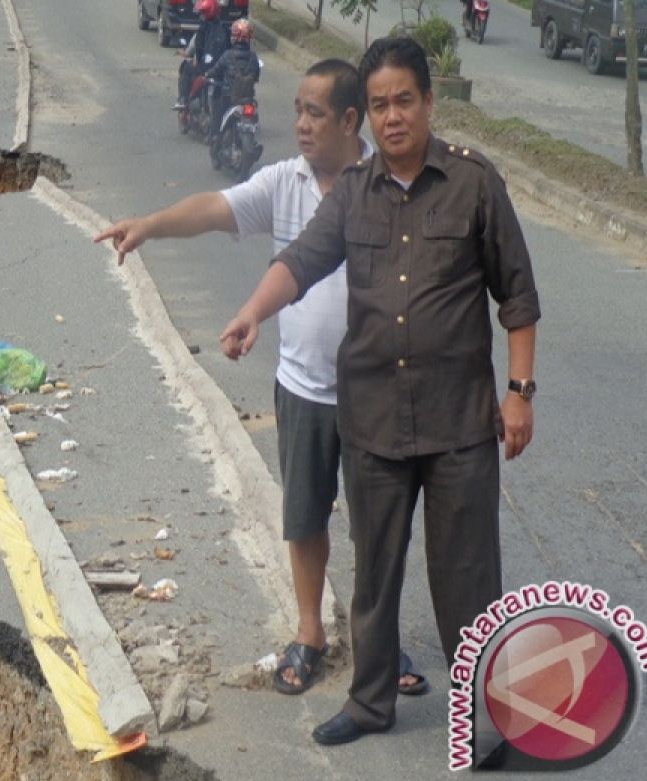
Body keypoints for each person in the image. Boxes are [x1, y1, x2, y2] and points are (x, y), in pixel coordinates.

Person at [219, 36, 540, 746]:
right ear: (366, 116)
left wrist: (518, 392)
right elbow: (300, 262)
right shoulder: (354, 195)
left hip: (458, 421)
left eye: (404, 101)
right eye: (379, 105)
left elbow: (517, 297)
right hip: (373, 420)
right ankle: (370, 705)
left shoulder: (474, 183)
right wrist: (250, 312)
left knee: (467, 575)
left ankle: (484, 709)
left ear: (427, 102)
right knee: (375, 577)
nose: (392, 116)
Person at [95, 59, 427, 698]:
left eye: (315, 113)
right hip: (303, 388)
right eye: (297, 110)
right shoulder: (284, 182)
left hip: (377, 393)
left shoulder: (386, 184)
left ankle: (378, 643)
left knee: (376, 526)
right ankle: (309, 636)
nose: (300, 124)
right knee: (303, 518)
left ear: (351, 120)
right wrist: (150, 226)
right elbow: (214, 208)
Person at [204, 18, 260, 152]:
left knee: (216, 117)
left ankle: (215, 140)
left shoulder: (227, 55)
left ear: (234, 37)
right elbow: (257, 76)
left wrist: (206, 75)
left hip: (228, 98)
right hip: (248, 99)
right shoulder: (253, 57)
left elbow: (215, 70)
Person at [175, 0, 230, 110]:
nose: (201, 15)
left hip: (206, 68)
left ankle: (183, 99)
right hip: (222, 70)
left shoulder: (202, 29)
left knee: (186, 67)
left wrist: (197, 62)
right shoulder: (225, 29)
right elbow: (229, 49)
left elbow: (198, 50)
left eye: (203, 13)